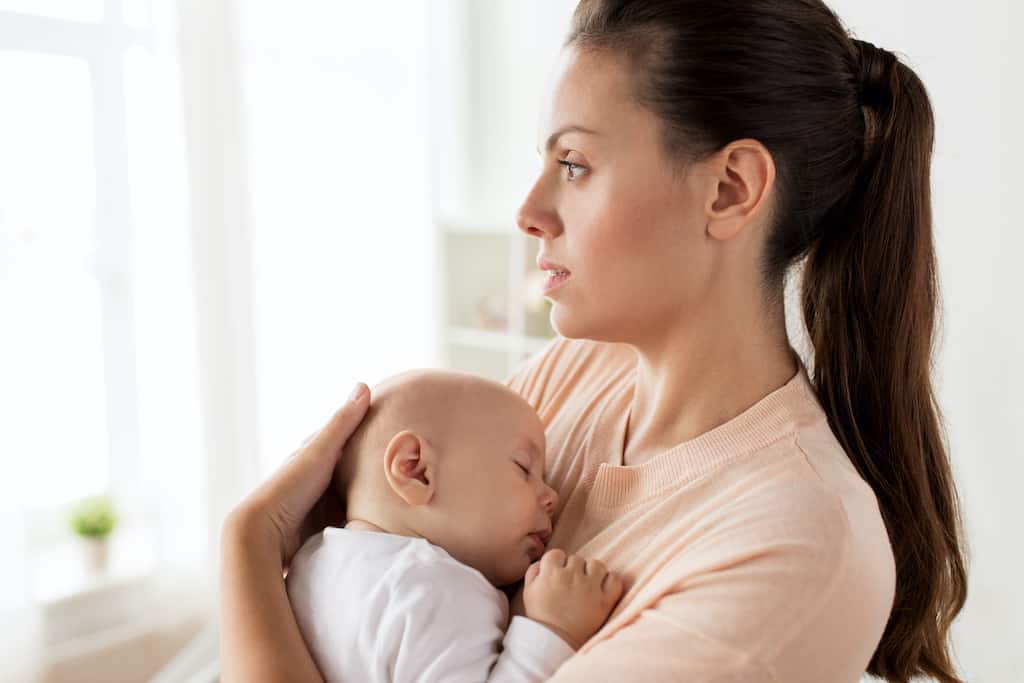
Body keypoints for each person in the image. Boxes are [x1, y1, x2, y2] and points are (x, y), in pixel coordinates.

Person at [219, 1, 969, 681]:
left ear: (730, 189)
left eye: (573, 163)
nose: (529, 210)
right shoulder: (574, 375)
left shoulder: (794, 544)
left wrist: (251, 547)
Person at [284, 369, 624, 682]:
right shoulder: (432, 589)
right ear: (417, 470)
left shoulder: (308, 564)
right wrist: (553, 629)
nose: (552, 497)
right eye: (523, 467)